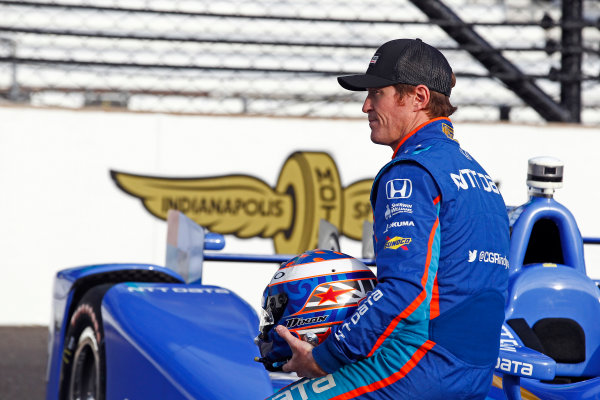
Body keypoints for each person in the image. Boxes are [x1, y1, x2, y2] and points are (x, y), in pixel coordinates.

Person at [265, 38, 509, 400]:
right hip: (476, 373)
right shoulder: (479, 175)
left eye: (376, 93)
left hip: (419, 365)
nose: (365, 106)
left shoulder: (410, 173)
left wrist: (327, 358)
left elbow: (405, 290)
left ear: (419, 98)